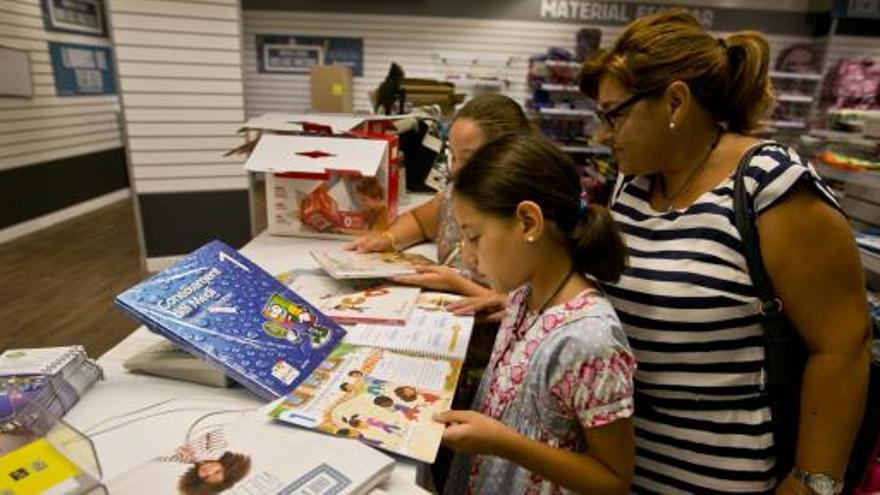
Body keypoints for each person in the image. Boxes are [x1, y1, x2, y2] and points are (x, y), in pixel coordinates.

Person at [579, 10, 871, 494]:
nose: (603, 134)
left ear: (675, 101)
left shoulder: (770, 186)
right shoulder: (633, 184)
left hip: (724, 477)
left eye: (614, 114)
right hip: (624, 466)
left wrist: (813, 480)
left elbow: (842, 346)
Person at [435, 133, 635, 494]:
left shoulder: (591, 342)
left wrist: (503, 443)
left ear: (528, 222)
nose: (467, 255)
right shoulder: (524, 295)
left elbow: (613, 480)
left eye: (474, 237)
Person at [348, 94, 531, 315]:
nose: (455, 169)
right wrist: (389, 239)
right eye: (452, 156)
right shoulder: (456, 194)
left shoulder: (525, 218)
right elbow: (419, 220)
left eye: (468, 158)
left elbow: (531, 310)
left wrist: (457, 284)